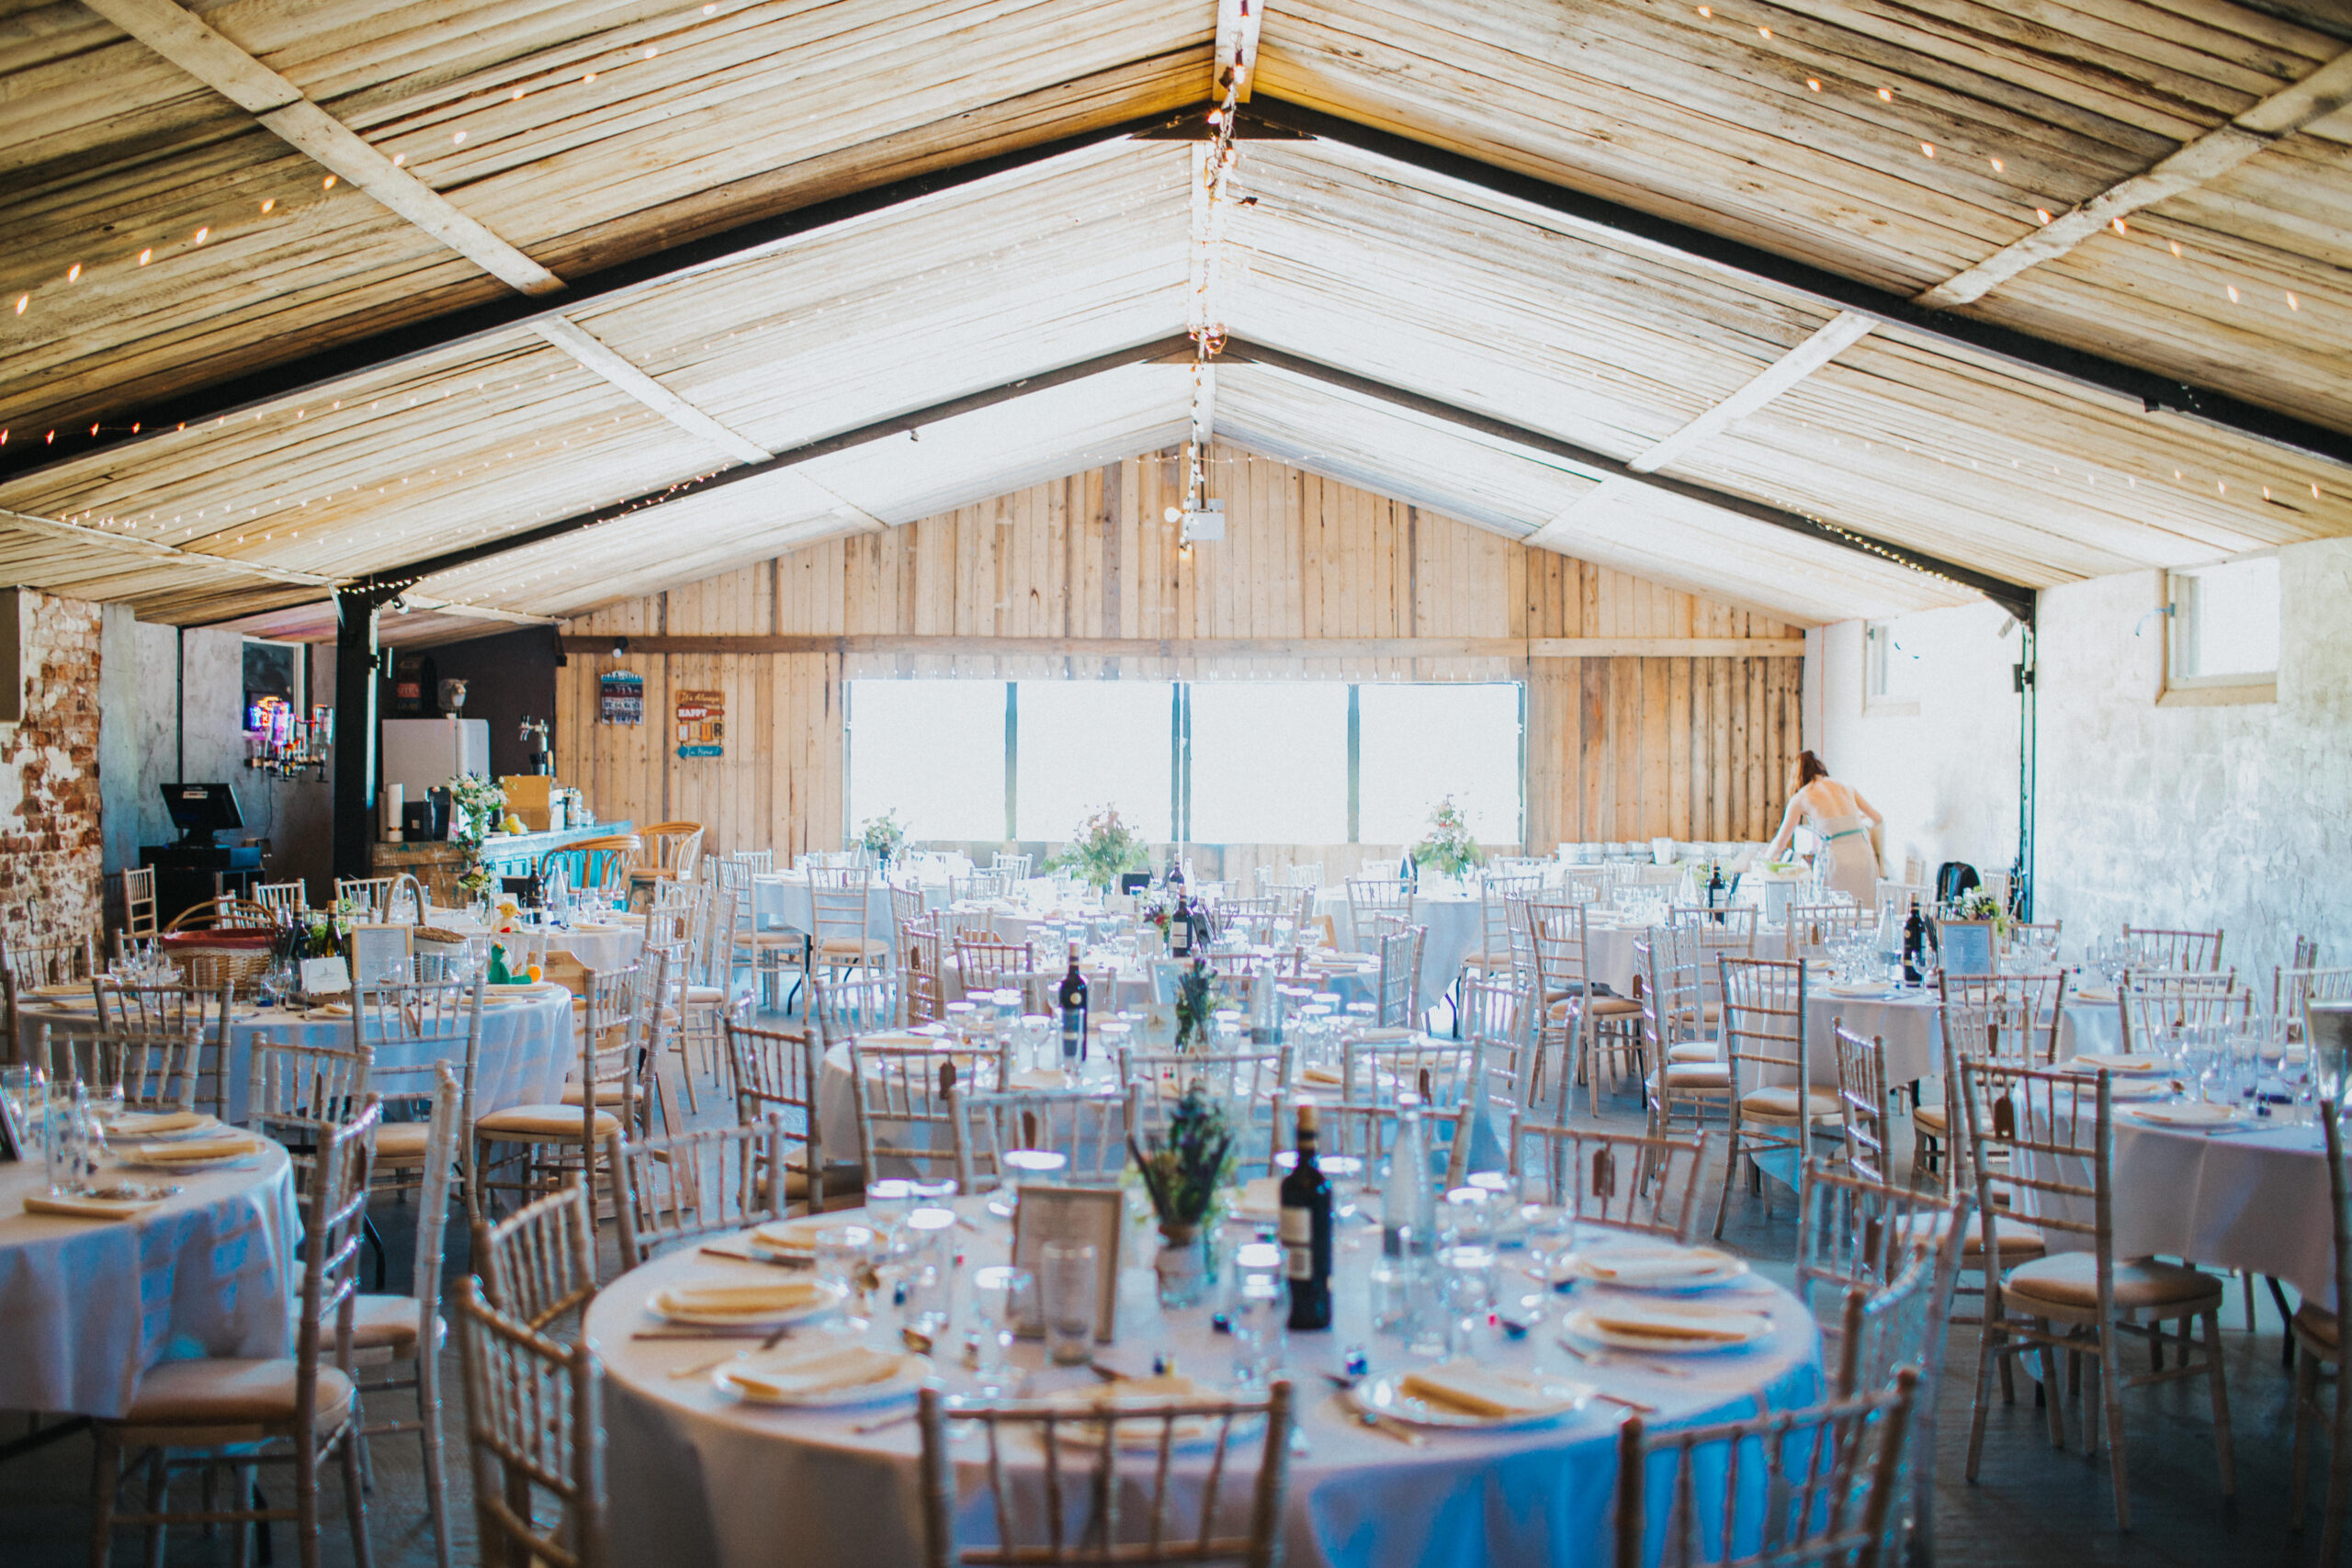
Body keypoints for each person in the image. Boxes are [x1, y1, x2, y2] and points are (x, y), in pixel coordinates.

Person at [1762, 750, 1884, 904]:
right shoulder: (1846, 787)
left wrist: (1764, 860)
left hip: (1837, 857)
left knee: (1832, 911)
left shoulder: (1801, 797)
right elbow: (1877, 819)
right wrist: (1853, 825)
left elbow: (1780, 843)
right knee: (1864, 909)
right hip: (1863, 854)